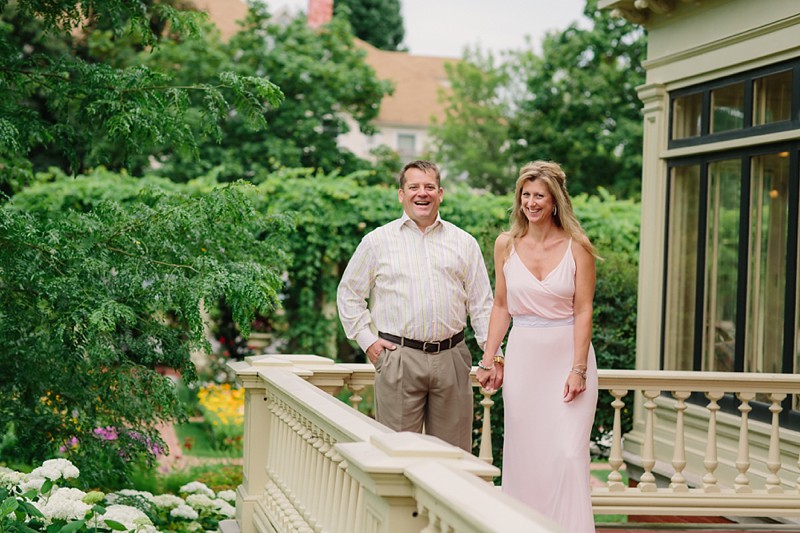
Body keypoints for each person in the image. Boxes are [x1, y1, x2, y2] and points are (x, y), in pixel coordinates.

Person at [337, 160, 498, 452]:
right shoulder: (377, 242)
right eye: (414, 187)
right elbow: (348, 294)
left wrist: (492, 356)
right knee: (395, 457)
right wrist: (368, 342)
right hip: (398, 358)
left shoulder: (464, 243)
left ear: (440, 193)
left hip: (452, 358)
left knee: (455, 458)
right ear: (401, 194)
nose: (421, 193)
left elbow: (482, 305)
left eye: (429, 187)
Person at [476, 161, 599, 533]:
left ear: (555, 200)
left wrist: (578, 368)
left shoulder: (578, 247)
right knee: (525, 457)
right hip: (525, 358)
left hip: (568, 359)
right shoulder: (505, 245)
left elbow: (583, 310)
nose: (531, 202)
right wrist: (489, 358)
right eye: (525, 195)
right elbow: (501, 306)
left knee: (567, 455)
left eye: (539, 196)